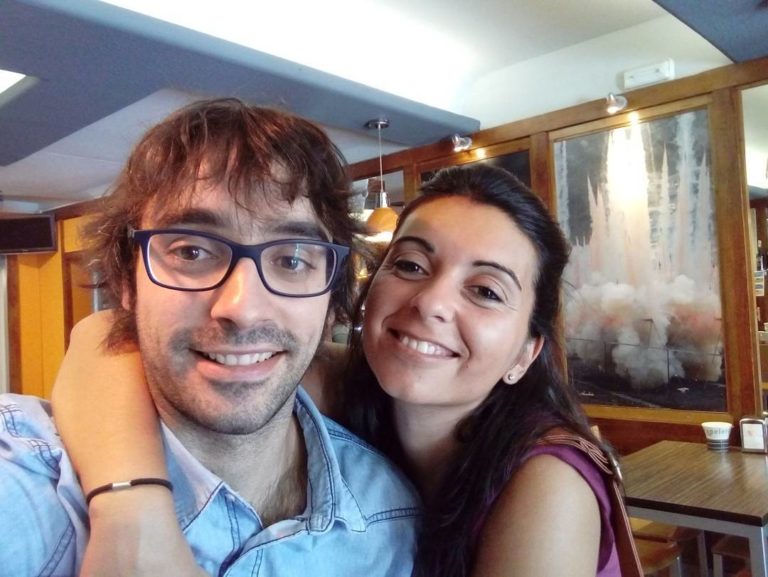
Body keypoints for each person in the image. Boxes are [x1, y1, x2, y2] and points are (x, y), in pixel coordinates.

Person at [54, 164, 624, 576]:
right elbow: (110, 339)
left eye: (485, 290)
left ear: (525, 353)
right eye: (411, 264)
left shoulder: (549, 482)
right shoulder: (337, 382)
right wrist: (133, 517)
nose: (431, 302)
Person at [0, 98, 421, 577]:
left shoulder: (390, 525)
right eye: (191, 251)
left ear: (331, 305)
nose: (242, 309)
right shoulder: (26, 482)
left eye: (292, 259)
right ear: (127, 283)